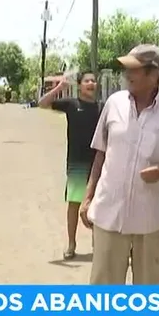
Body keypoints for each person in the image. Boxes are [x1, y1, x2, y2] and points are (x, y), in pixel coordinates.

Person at [79, 44, 159, 316]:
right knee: (104, 281)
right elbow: (100, 152)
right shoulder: (114, 104)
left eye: (134, 69)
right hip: (110, 209)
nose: (127, 74)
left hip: (152, 215)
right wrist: (87, 196)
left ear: (154, 74)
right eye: (126, 68)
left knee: (149, 283)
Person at [37, 71, 101, 259]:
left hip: (97, 164)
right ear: (80, 85)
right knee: (74, 203)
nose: (91, 83)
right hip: (76, 162)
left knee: (97, 204)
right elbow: (42, 103)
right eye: (87, 81)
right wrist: (59, 88)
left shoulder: (102, 107)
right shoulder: (72, 105)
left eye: (93, 81)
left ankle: (97, 244)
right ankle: (71, 244)